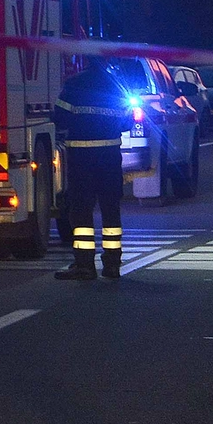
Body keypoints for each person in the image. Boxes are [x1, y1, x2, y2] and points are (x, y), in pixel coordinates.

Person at [52, 58, 133, 281]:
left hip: (81, 158)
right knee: (110, 208)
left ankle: (85, 265)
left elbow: (59, 118)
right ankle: (112, 264)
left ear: (86, 61)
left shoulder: (74, 84)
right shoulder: (116, 85)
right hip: (109, 157)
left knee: (80, 210)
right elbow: (127, 123)